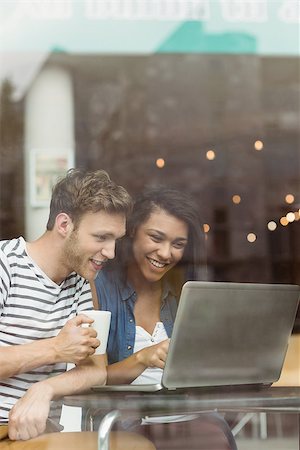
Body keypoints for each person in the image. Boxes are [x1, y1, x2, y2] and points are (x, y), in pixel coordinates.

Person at [94, 187, 237, 450]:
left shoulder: (185, 292)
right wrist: (142, 358)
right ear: (133, 231)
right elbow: (91, 377)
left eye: (178, 244)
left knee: (216, 435)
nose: (165, 253)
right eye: (156, 238)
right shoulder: (100, 287)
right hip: (126, 421)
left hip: (190, 418)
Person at [0, 168, 132, 441]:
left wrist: (44, 389)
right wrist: (56, 348)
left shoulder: (81, 281)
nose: (111, 252)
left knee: (136, 446)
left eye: (115, 240)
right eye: (101, 237)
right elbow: (63, 351)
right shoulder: (5, 265)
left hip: (41, 435)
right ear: (64, 225)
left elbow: (96, 371)